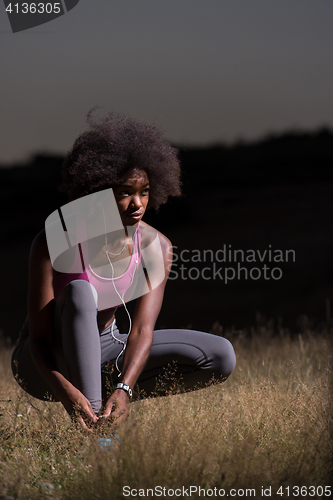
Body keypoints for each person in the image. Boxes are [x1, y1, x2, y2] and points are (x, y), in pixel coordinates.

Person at [11, 111, 236, 430]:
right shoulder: (54, 241)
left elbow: (142, 330)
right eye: (124, 193)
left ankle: (106, 404)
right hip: (44, 363)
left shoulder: (156, 247)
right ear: (98, 193)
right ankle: (98, 439)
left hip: (107, 348)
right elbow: (39, 340)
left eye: (143, 191)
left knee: (220, 355)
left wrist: (124, 386)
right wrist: (68, 395)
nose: (137, 203)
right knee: (79, 291)